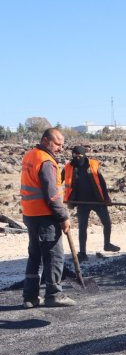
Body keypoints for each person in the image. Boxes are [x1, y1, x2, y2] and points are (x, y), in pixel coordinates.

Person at [19, 128, 76, 307]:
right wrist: (63, 216)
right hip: (45, 216)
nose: (60, 148)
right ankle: (54, 294)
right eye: (57, 144)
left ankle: (30, 297)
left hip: (30, 214)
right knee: (54, 255)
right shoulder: (46, 161)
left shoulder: (30, 155)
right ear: (45, 141)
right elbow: (51, 195)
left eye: (62, 144)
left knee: (34, 255)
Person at [63, 145, 120, 261]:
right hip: (81, 203)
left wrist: (107, 198)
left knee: (107, 223)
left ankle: (107, 244)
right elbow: (58, 180)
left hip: (97, 201)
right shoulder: (69, 167)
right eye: (75, 156)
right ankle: (82, 253)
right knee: (82, 228)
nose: (77, 158)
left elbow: (102, 183)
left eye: (79, 156)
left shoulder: (92, 165)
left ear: (84, 155)